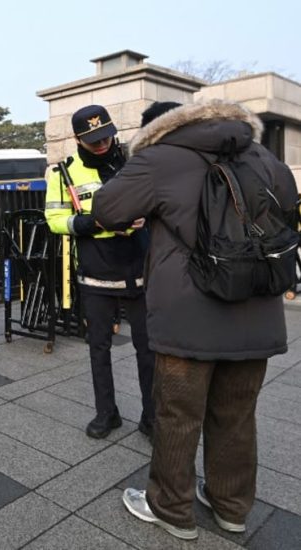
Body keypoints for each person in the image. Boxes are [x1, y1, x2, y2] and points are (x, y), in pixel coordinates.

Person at [92, 99, 298, 540]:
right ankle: (231, 507)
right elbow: (288, 208)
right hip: (257, 312)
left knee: (179, 414)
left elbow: (106, 209)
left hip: (189, 314)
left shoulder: (159, 157)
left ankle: (170, 507)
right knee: (238, 415)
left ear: (161, 127)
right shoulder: (265, 158)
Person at [44, 105, 155, 440]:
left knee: (148, 349)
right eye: (93, 140)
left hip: (140, 267)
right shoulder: (63, 172)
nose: (102, 143)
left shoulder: (134, 163)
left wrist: (145, 217)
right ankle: (107, 413)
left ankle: (152, 417)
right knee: (98, 348)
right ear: (78, 138)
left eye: (106, 136)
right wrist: (95, 223)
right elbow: (54, 220)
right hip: (96, 272)